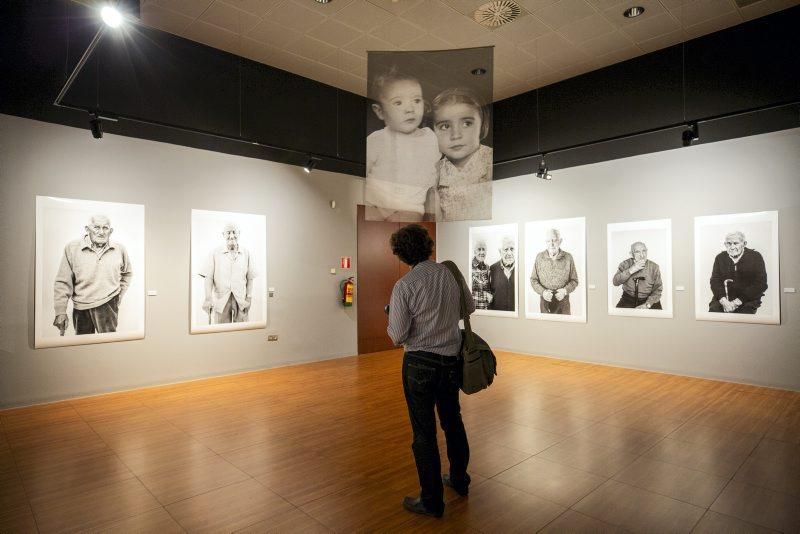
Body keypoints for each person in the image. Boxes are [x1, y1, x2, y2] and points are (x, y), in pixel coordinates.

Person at [387, 224, 474, 518]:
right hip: (450, 361)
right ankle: (460, 480)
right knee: (453, 422)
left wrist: (393, 316)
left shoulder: (405, 285)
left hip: (419, 365)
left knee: (424, 433)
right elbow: (469, 308)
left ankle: (432, 500)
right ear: (428, 246)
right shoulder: (449, 274)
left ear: (401, 253)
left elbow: (397, 335)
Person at [365, 67, 441, 222]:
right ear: (380, 111)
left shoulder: (429, 137)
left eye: (416, 100)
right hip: (376, 204)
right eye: (398, 103)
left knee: (406, 229)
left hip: (410, 206)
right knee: (368, 222)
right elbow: (363, 172)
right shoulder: (377, 139)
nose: (410, 109)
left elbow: (437, 169)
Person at [53, 215, 132, 335]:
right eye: (96, 227)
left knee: (108, 345)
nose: (101, 232)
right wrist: (60, 311)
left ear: (111, 231)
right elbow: (63, 282)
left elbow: (127, 273)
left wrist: (118, 296)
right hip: (80, 307)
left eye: (105, 228)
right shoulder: (72, 248)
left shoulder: (119, 249)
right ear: (87, 229)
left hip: (108, 304)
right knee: (83, 347)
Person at [432, 88, 492, 222]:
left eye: (466, 123)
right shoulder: (435, 170)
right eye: (445, 126)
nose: (456, 135)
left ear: (483, 125)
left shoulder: (491, 161)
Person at [201, 222, 257, 324]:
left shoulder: (246, 253)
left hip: (241, 300)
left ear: (239, 234)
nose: (231, 236)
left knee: (242, 332)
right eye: (228, 233)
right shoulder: (215, 253)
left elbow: (250, 278)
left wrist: (249, 297)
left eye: (234, 232)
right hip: (221, 300)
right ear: (223, 235)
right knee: (220, 332)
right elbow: (208, 278)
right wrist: (208, 298)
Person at [709, 231, 767, 314]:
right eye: (729, 244)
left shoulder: (755, 257)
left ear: (744, 244)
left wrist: (736, 302)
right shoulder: (720, 258)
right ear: (725, 244)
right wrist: (724, 301)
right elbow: (714, 281)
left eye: (736, 243)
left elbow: (761, 284)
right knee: (714, 311)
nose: (732, 247)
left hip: (747, 299)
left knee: (744, 314)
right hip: (724, 298)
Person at [529, 228, 578, 314]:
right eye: (548, 241)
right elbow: (533, 280)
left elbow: (574, 280)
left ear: (560, 241)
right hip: (545, 302)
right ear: (545, 242)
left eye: (554, 240)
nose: (551, 244)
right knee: (545, 327)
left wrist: (564, 291)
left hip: (563, 303)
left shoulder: (568, 257)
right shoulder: (539, 257)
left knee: (565, 327)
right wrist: (543, 292)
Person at [612, 241, 663, 309]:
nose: (642, 255)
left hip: (649, 300)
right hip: (628, 299)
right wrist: (631, 270)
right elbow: (615, 282)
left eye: (644, 251)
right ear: (631, 254)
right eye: (637, 252)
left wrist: (647, 305)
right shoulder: (625, 264)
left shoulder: (654, 267)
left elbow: (658, 290)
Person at [488, 236, 516, 311]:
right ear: (500, 251)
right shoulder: (492, 269)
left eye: (512, 249)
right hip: (498, 316)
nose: (509, 253)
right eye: (506, 249)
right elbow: (488, 294)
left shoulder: (521, 269)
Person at [471, 239, 492, 309]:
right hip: (474, 310)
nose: (482, 252)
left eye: (483, 249)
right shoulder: (469, 266)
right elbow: (467, 292)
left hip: (486, 309)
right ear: (474, 251)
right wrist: (486, 295)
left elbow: (489, 289)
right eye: (479, 249)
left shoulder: (487, 268)